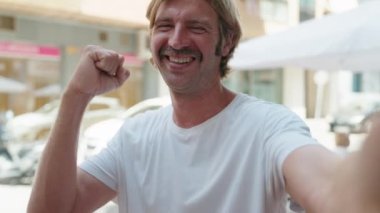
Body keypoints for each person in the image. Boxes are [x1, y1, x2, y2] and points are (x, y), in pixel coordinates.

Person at [28, 0, 380, 212]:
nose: (177, 40)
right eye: (165, 25)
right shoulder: (133, 136)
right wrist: (75, 98)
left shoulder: (268, 127)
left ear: (227, 42)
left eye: (196, 27)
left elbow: (329, 191)